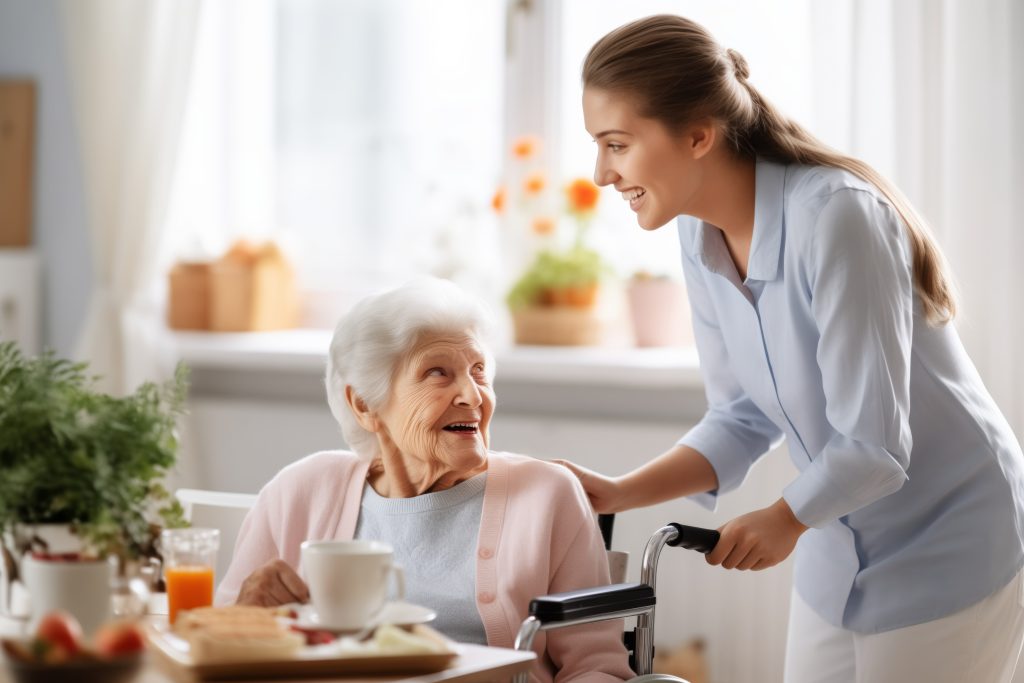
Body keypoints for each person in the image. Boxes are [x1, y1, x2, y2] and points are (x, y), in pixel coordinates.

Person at [559, 13, 1024, 683]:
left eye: (616, 143)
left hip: (949, 540)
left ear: (697, 135)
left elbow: (875, 444)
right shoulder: (700, 234)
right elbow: (742, 416)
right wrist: (617, 492)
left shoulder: (837, 216)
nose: (602, 173)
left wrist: (784, 517)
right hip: (837, 552)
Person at [216, 277, 634, 682]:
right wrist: (244, 616)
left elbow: (596, 668)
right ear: (365, 404)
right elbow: (215, 647)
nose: (472, 396)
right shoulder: (300, 491)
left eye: (478, 370)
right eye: (438, 373)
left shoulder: (546, 495)